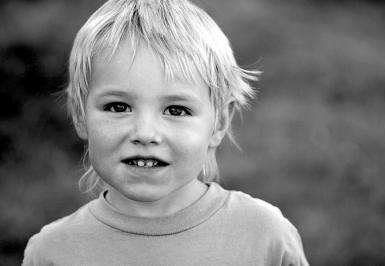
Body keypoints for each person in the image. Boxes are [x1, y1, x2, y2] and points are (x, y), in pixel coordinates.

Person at [22, 0, 309, 265]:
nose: (145, 133)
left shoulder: (264, 236)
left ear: (219, 122)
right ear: (79, 114)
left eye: (175, 110)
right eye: (118, 106)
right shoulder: (51, 252)